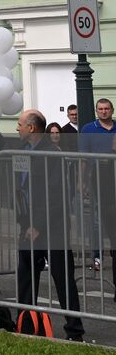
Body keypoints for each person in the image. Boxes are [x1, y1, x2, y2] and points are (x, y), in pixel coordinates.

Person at [14, 109, 85, 342]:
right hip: (29, 226)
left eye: (20, 124)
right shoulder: (22, 151)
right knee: (26, 277)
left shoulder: (51, 153)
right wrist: (25, 222)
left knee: (63, 278)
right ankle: (25, 325)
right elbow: (22, 190)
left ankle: (74, 331)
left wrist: (39, 225)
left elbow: (55, 194)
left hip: (52, 227)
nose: (17, 128)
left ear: (32, 128)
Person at [80, 98, 116, 277]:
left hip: (114, 180)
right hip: (96, 180)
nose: (104, 111)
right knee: (96, 220)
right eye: (100, 109)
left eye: (107, 108)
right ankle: (97, 256)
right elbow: (84, 158)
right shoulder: (88, 129)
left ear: (112, 110)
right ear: (96, 111)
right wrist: (82, 180)